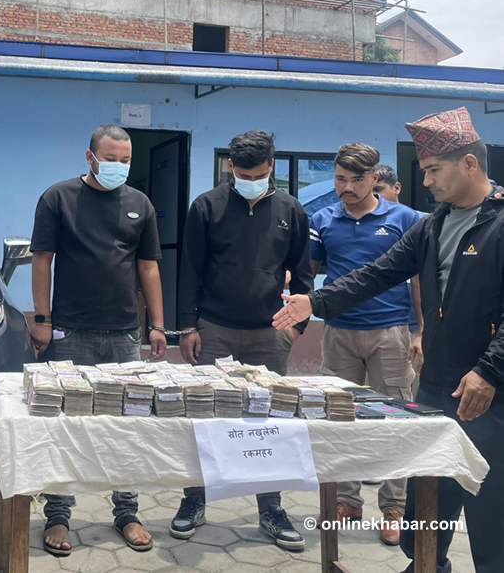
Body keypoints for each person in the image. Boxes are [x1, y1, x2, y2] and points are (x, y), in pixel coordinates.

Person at [274, 107, 504, 573]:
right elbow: (378, 273)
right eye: (424, 171)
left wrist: (489, 370)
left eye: (434, 170)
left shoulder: (499, 223)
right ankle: (426, 566)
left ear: (469, 164)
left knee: (490, 515)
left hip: (489, 392)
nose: (427, 181)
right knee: (426, 507)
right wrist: (314, 302)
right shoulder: (433, 224)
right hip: (437, 385)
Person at [171, 130, 314, 550]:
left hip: (270, 333)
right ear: (231, 167)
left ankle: (271, 509)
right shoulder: (207, 206)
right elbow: (190, 269)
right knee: (205, 418)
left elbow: (303, 274)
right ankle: (193, 500)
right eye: (244, 174)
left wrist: (296, 328)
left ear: (272, 167)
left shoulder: (291, 209)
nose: (252, 181)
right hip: (213, 330)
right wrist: (188, 327)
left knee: (270, 422)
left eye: (260, 174)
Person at [30, 124, 168, 557]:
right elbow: (42, 260)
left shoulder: (139, 204)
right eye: (110, 159)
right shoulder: (58, 198)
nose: (118, 166)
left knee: (126, 427)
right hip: (71, 331)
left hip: (124, 334)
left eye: (125, 160)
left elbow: (148, 266)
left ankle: (127, 512)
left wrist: (157, 325)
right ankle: (58, 514)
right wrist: (41, 319)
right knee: (67, 425)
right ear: (90, 157)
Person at [309, 145, 424, 546]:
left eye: (357, 180)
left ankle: (394, 508)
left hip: (390, 334)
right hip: (338, 334)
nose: (347, 187)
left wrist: (422, 331)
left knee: (395, 421)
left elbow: (419, 279)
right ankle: (346, 500)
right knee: (339, 419)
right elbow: (308, 276)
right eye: (340, 179)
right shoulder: (322, 220)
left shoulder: (406, 219)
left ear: (375, 178)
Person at [375, 164, 426, 380]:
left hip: (416, 324)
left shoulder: (423, 222)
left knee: (413, 387)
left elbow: (422, 277)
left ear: (396, 188)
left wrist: (424, 329)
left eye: (379, 190)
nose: (375, 197)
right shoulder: (366, 225)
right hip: (380, 323)